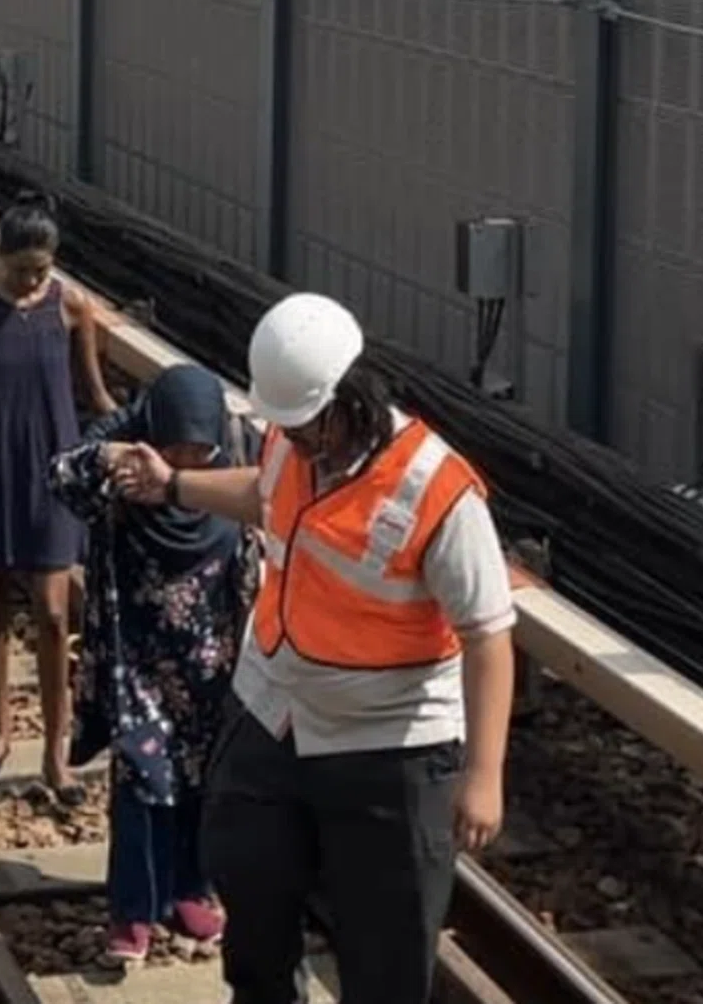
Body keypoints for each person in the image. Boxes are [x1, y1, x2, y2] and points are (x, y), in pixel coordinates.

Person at [109, 293, 515, 1004]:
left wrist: (484, 774)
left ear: (348, 397)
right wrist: (174, 485)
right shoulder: (292, 449)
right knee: (249, 886)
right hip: (276, 709)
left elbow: (489, 635)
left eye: (303, 428)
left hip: (389, 739)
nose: (291, 442)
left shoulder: (439, 494)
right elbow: (264, 498)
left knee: (387, 945)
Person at [49, 364, 258, 961]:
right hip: (136, 658)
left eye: (200, 450)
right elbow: (61, 477)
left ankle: (190, 888)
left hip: (212, 659)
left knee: (202, 781)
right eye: (177, 448)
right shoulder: (126, 464)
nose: (187, 462)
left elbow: (283, 493)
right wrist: (110, 453)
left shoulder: (241, 449)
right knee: (144, 781)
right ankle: (132, 909)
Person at [0, 191, 114, 801]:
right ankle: (1, 728)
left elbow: (96, 401)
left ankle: (56, 752)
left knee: (56, 612)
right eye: (20, 270)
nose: (31, 280)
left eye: (41, 269)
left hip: (53, 478)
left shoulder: (72, 308)